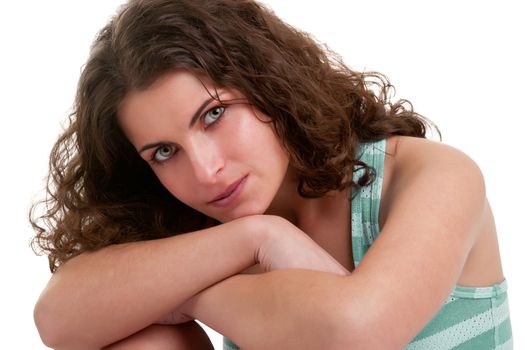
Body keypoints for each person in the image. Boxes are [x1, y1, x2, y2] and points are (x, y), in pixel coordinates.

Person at [30, 0, 512, 349]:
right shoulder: (211, 228)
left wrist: (187, 294)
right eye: (163, 152)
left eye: (214, 115)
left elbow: (357, 331)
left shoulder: (430, 175)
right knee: (148, 342)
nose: (205, 171)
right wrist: (258, 237)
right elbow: (56, 318)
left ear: (270, 83)